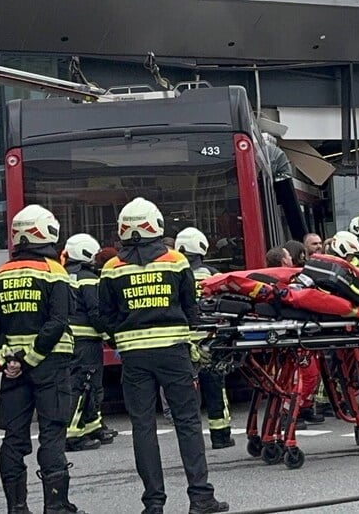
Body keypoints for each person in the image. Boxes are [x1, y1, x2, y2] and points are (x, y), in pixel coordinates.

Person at [99, 198, 228, 514]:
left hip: (134, 358)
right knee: (187, 423)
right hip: (173, 354)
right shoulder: (175, 261)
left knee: (143, 427)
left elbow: (105, 316)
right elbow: (190, 308)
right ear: (155, 225)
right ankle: (200, 497)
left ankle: (153, 504)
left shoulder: (111, 267)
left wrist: (124, 338)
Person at [0, 205, 84, 514]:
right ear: (47, 232)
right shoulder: (54, 271)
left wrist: (7, 358)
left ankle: (17, 507)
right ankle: (56, 505)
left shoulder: (0, 275)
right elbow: (58, 321)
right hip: (50, 364)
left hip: (13, 370)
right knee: (52, 431)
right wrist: (32, 357)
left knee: (13, 437)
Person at [175, 227, 235, 451]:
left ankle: (190, 440)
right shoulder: (212, 274)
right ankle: (220, 436)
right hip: (209, 339)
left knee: (184, 391)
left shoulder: (174, 272)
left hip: (182, 340)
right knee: (215, 387)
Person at [64, 233, 117, 453]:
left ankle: (93, 426)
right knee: (85, 386)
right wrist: (111, 337)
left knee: (86, 385)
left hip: (69, 340)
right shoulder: (88, 278)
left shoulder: (63, 275)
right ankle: (73, 435)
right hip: (86, 341)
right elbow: (97, 313)